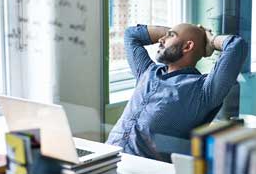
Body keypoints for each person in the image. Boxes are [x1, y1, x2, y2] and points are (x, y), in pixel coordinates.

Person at [106, 23, 248, 163]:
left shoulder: (203, 91)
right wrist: (173, 32)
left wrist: (210, 40)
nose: (161, 40)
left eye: (170, 36)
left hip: (142, 168)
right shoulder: (147, 71)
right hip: (105, 158)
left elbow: (236, 46)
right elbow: (131, 34)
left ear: (188, 46)